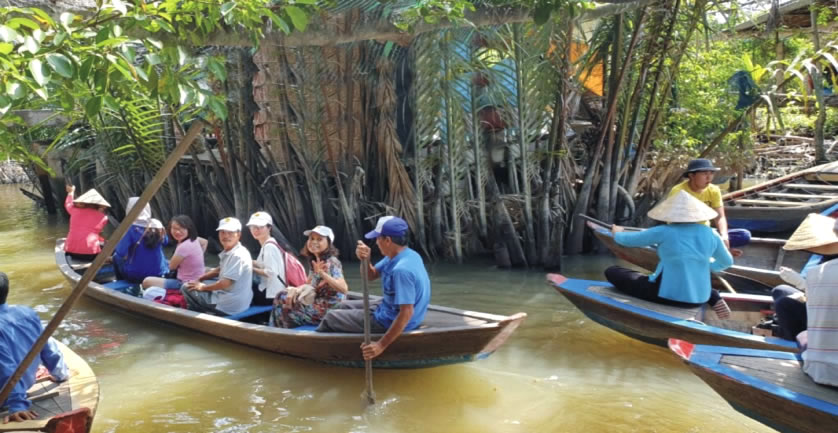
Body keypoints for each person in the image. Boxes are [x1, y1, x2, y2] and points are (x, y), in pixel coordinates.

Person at [602, 191, 734, 316]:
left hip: (667, 295)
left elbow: (628, 241)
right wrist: (703, 268)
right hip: (700, 297)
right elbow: (727, 262)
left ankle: (711, 294)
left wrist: (617, 232)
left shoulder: (664, 231)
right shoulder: (711, 233)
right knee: (688, 276)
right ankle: (712, 295)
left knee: (613, 271)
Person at [316, 216, 431, 361]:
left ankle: (317, 348)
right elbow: (371, 276)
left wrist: (380, 346)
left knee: (331, 317)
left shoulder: (401, 270)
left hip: (390, 320)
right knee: (340, 305)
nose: (376, 243)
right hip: (388, 307)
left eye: (378, 239)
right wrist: (365, 259)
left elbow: (406, 313)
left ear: (388, 240)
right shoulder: (401, 255)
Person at [771, 213, 838, 386]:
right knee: (782, 294)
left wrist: (802, 284)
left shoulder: (816, 273)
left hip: (819, 369)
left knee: (784, 302)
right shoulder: (818, 273)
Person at [0, 272, 69, 424]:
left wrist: (16, 406)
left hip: (7, 394)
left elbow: (6, 368)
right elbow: (47, 347)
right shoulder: (27, 313)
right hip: (24, 383)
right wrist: (60, 373)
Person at [272, 225, 348, 328]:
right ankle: (279, 329)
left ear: (329, 243)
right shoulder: (315, 261)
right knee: (281, 295)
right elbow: (309, 284)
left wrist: (323, 274)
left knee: (284, 310)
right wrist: (294, 290)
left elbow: (344, 289)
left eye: (319, 239)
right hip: (317, 302)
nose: (314, 242)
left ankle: (279, 332)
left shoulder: (332, 262)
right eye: (311, 239)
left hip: (329, 308)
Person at [181, 217, 252, 316]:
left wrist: (203, 288)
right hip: (238, 300)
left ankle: (196, 313)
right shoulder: (235, 250)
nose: (226, 236)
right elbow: (219, 269)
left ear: (238, 234)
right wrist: (201, 278)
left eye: (230, 232)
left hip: (229, 306)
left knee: (186, 287)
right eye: (222, 232)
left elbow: (225, 283)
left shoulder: (237, 255)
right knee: (200, 281)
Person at [667, 158, 735, 253]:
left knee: (744, 235)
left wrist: (724, 236)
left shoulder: (714, 190)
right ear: (691, 175)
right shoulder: (678, 191)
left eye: (711, 173)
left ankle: (712, 245)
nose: (709, 177)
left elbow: (720, 217)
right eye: (704, 174)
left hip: (706, 232)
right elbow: (671, 220)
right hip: (683, 233)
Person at [141, 215, 207, 291]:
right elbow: (205, 242)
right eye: (174, 228)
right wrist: (196, 258)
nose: (177, 232)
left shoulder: (183, 247)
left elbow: (171, 267)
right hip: (197, 278)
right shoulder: (195, 239)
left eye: (181, 228)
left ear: (189, 229)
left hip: (185, 284)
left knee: (147, 281)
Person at [112, 208, 168, 284]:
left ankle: (121, 282)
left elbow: (120, 253)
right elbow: (166, 242)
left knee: (116, 257)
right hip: (159, 273)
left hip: (135, 276)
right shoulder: (157, 226)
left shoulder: (131, 229)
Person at [246, 212, 286, 306]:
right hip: (274, 292)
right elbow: (263, 264)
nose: (256, 230)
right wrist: (248, 261)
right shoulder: (269, 243)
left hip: (271, 295)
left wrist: (250, 269)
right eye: (253, 227)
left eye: (260, 226)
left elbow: (271, 272)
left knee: (239, 285)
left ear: (269, 228)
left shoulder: (269, 247)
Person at [64, 184, 110, 261]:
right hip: (91, 253)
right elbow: (97, 232)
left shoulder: (74, 210)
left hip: (71, 251)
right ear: (99, 205)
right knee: (106, 244)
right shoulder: (104, 217)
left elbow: (68, 204)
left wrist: (71, 192)